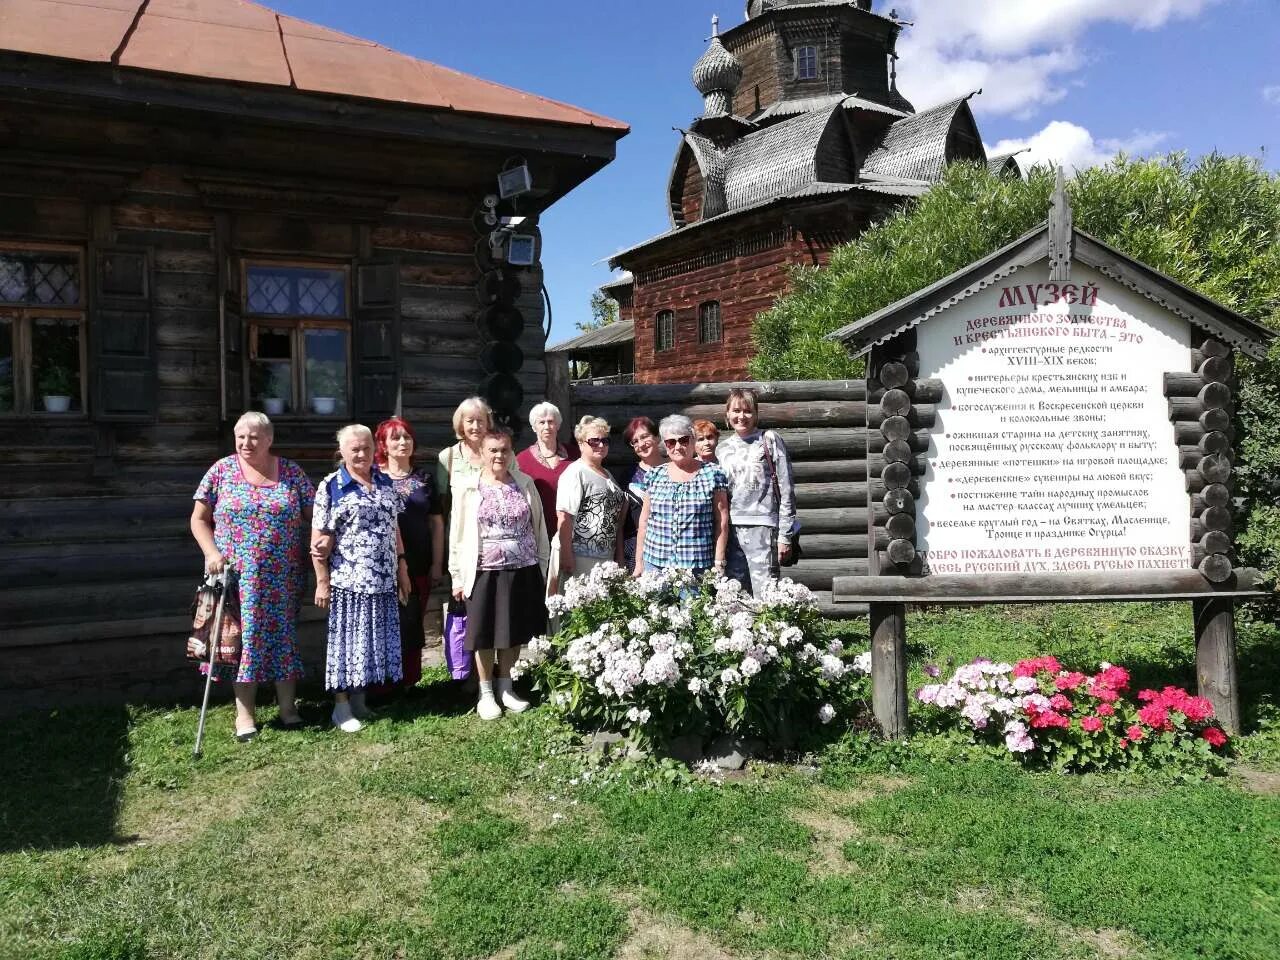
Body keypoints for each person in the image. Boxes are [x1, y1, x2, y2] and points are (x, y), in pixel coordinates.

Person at [191, 411, 314, 741]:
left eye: (254, 437)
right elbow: (199, 520)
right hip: (235, 578)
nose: (246, 443)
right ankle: (245, 716)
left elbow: (316, 515)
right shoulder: (221, 471)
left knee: (283, 637)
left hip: (284, 576)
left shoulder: (291, 473)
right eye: (241, 436)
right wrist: (211, 553)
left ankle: (288, 709)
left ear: (270, 439)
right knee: (240, 643)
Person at [312, 424, 411, 733]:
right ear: (341, 452)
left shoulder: (383, 481)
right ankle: (340, 708)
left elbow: (394, 528)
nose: (361, 453)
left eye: (366, 448)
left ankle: (359, 701)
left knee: (368, 643)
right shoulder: (332, 486)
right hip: (349, 582)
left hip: (382, 580)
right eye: (354, 448)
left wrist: (402, 568)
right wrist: (322, 581)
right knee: (346, 644)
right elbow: (317, 541)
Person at [449, 429, 550, 720]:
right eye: (493, 450)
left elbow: (538, 526)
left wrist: (541, 565)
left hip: (522, 567)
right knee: (484, 632)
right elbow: (457, 534)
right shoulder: (468, 487)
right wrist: (456, 575)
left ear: (511, 452)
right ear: (481, 453)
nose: (499, 455)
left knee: (513, 630)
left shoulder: (524, 483)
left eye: (504, 450)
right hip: (483, 570)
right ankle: (486, 693)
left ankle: (507, 687)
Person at [374, 416, 444, 692]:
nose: (402, 442)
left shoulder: (423, 478)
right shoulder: (374, 478)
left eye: (407, 437)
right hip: (378, 566)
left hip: (418, 563)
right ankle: (381, 682)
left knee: (412, 622)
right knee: (382, 623)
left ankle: (408, 681)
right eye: (395, 438)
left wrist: (437, 563)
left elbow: (437, 523)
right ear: (383, 444)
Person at [717, 387, 798, 596]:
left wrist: (785, 535)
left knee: (766, 594)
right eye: (736, 411)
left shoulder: (769, 440)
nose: (741, 416)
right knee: (735, 595)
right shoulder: (722, 449)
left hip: (763, 527)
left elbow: (787, 488)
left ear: (756, 414)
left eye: (747, 411)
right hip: (731, 530)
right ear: (727, 414)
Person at [633, 414, 729, 578]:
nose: (677, 447)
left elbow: (722, 520)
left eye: (683, 440)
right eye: (671, 442)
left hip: (696, 565)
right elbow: (644, 520)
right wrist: (639, 561)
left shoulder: (713, 474)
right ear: (665, 445)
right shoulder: (654, 475)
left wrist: (719, 560)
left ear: (692, 440)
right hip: (655, 563)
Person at [552, 416, 626, 592]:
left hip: (604, 557)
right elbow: (564, 515)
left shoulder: (607, 474)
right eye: (594, 441)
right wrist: (566, 555)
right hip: (579, 556)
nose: (600, 445)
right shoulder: (576, 472)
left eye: (605, 441)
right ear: (580, 443)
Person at [515, 401, 577, 541]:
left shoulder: (574, 455)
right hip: (537, 532)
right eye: (541, 422)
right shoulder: (521, 461)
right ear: (534, 427)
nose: (547, 427)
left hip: (572, 532)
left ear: (558, 425)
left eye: (551, 422)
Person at [621, 416, 664, 570]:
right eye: (635, 441)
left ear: (657, 437)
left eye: (645, 436)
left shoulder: (673, 469)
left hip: (667, 548)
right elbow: (620, 524)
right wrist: (620, 559)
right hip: (634, 550)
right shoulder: (629, 476)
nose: (641, 444)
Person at [436, 396, 494, 505]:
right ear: (461, 424)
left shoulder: (501, 454)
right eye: (470, 421)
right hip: (460, 521)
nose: (475, 426)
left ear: (488, 424)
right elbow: (440, 500)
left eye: (480, 421)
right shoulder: (447, 457)